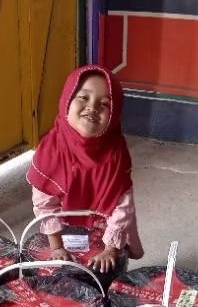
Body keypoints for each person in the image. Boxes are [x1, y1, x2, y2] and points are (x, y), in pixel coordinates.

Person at [27, 64, 144, 274]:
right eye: (83, 97)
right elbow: (44, 204)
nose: (92, 107)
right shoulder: (50, 151)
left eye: (105, 103)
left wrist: (110, 249)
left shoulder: (116, 154)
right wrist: (57, 247)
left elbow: (122, 207)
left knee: (109, 272)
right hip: (62, 228)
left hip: (105, 228)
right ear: (66, 100)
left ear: (115, 114)